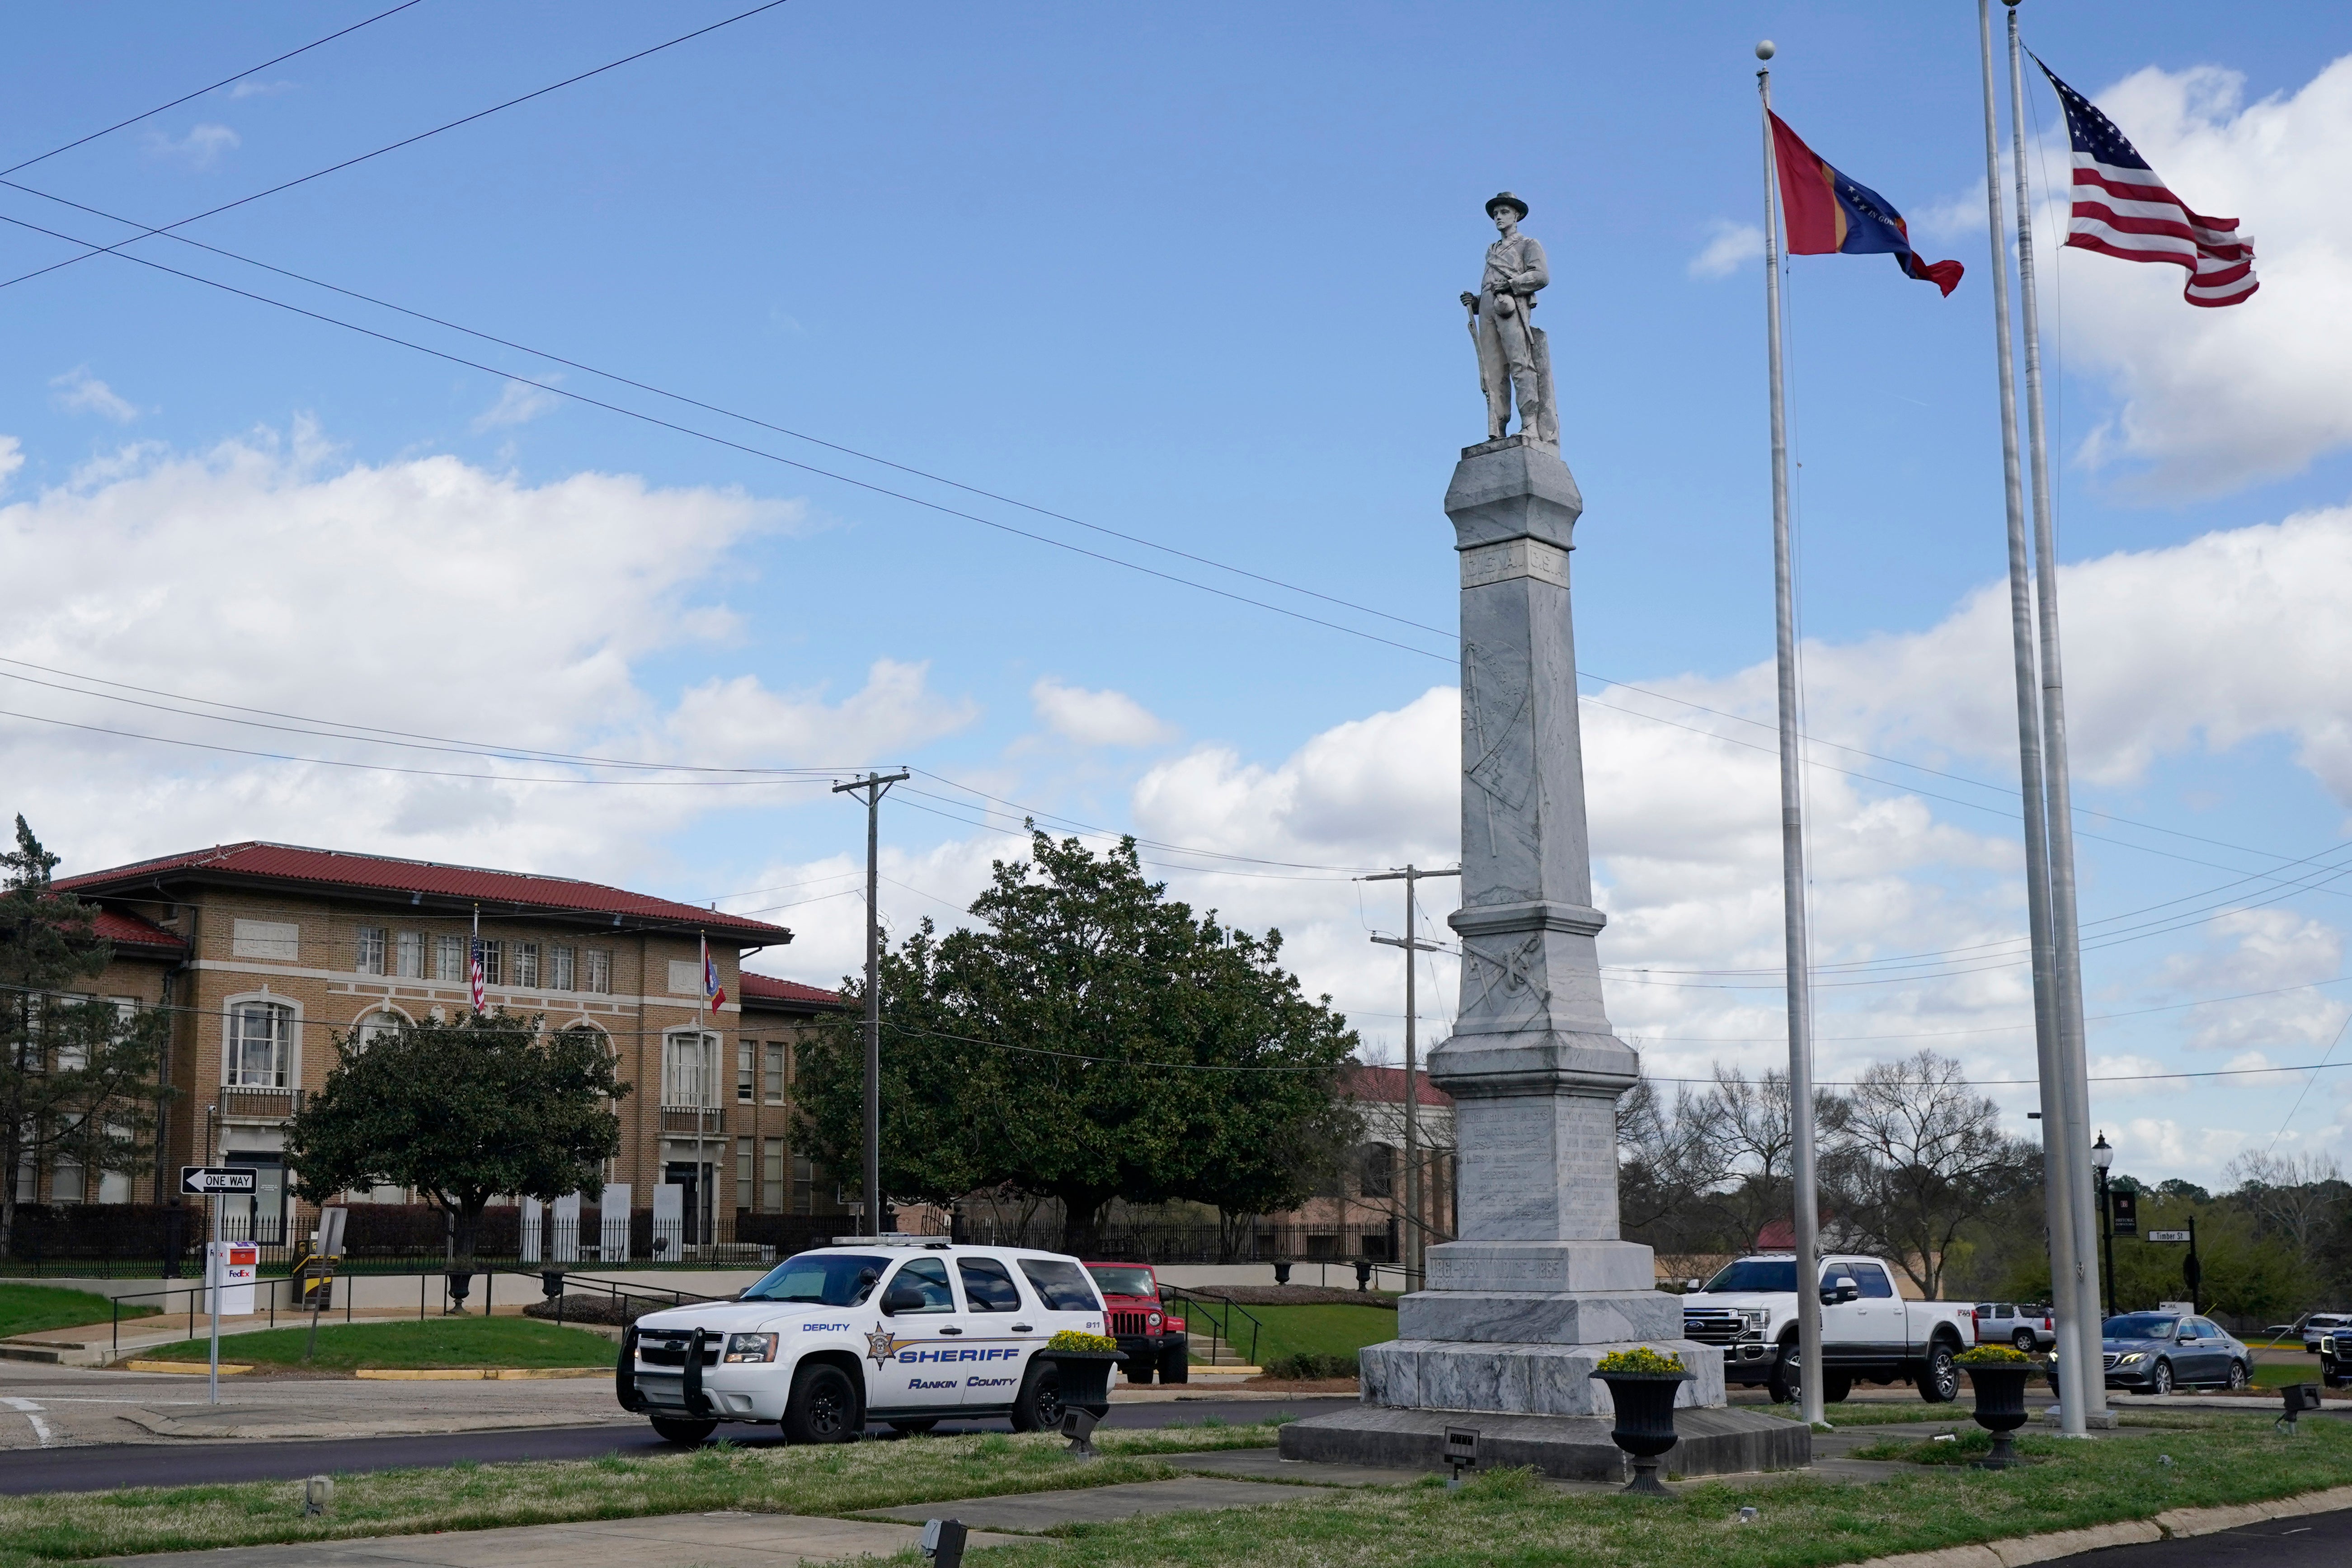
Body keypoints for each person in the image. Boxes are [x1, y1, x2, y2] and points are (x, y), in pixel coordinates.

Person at [1460, 192, 1555, 445]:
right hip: (1491, 309)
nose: (1498, 218)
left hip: (1511, 306)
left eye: (1504, 213)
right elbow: (1491, 285)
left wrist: (1512, 284)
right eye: (1495, 215)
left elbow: (1541, 276)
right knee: (1492, 372)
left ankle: (1531, 425)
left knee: (1520, 364)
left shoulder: (1528, 244)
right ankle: (1497, 429)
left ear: (1517, 216)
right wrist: (1478, 302)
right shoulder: (1492, 250)